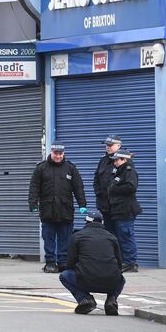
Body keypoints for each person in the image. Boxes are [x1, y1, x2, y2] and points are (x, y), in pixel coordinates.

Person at [28, 141, 87, 273]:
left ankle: (62, 262)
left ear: (63, 153)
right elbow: (34, 187)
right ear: (51, 152)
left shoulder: (71, 168)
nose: (58, 156)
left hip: (65, 210)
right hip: (47, 210)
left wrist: (82, 204)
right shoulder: (41, 168)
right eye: (56, 153)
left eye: (60, 154)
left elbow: (78, 188)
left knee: (65, 238)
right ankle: (50, 262)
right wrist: (33, 204)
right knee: (48, 237)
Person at [59, 211, 125, 315]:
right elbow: (119, 263)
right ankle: (111, 300)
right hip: (110, 282)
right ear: (102, 223)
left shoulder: (77, 236)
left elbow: (70, 262)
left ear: (86, 222)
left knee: (64, 275)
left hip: (85, 280)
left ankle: (85, 299)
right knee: (121, 279)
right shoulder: (112, 237)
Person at [108, 148, 141, 273]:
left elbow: (131, 187)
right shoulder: (119, 171)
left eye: (117, 160)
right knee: (121, 236)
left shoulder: (129, 171)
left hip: (125, 209)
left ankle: (130, 262)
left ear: (124, 160)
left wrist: (115, 189)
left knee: (126, 235)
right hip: (118, 209)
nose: (115, 162)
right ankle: (125, 261)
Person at [94, 134, 122, 234]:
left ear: (118, 146)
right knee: (108, 234)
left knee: (122, 235)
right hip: (105, 206)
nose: (108, 147)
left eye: (111, 145)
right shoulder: (103, 160)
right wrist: (99, 194)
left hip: (119, 208)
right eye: (107, 145)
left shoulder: (123, 161)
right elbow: (96, 179)